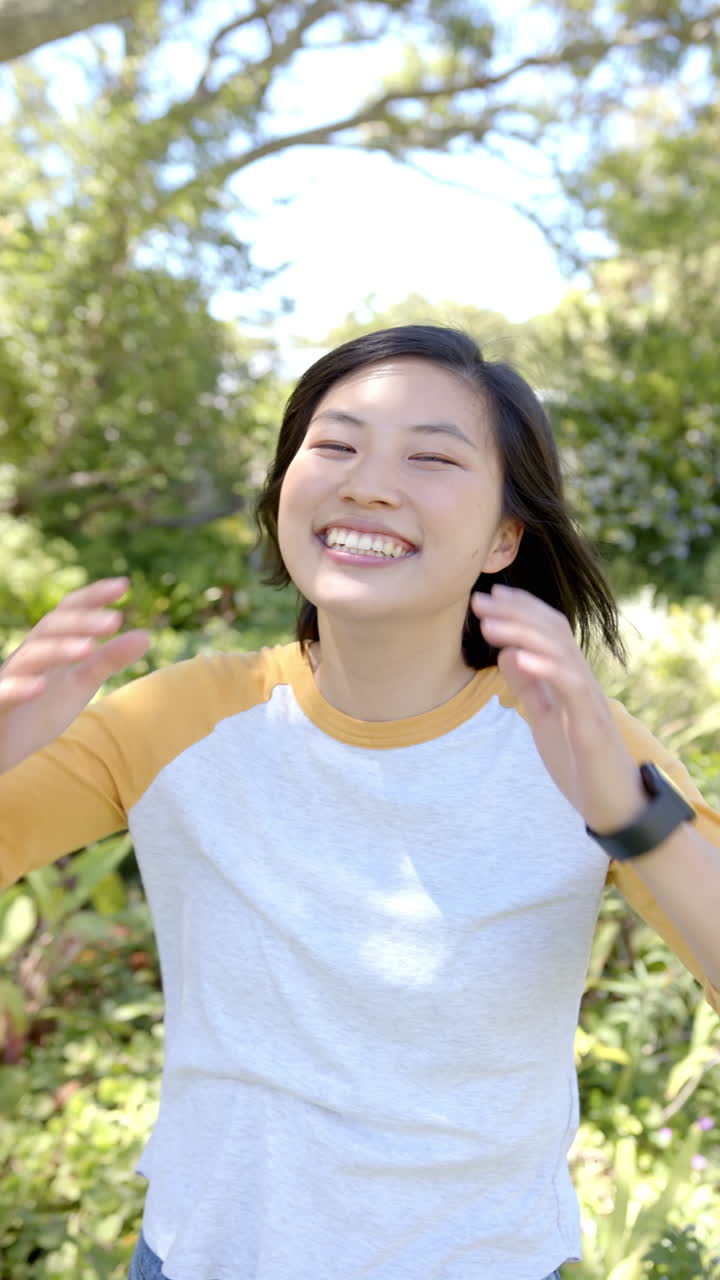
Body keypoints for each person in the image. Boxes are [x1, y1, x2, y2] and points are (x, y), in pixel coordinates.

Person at [1, 325, 718, 1280]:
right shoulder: (176, 719)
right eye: (334, 445)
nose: (367, 483)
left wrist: (624, 810)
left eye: (431, 456)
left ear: (506, 536)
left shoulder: (573, 732)